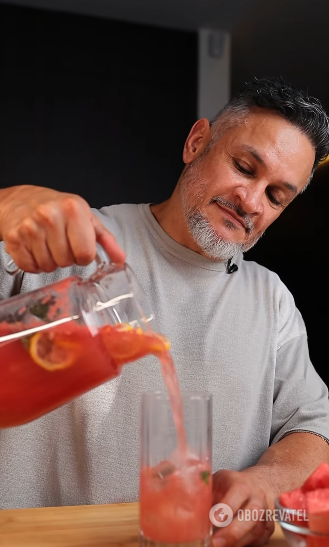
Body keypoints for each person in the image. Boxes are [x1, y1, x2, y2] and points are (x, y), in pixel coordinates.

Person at [1, 76, 329, 547]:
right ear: (197, 142)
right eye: (243, 166)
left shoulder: (271, 299)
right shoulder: (70, 241)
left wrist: (265, 484)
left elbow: (313, 428)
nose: (251, 202)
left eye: (277, 196)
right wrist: (5, 206)